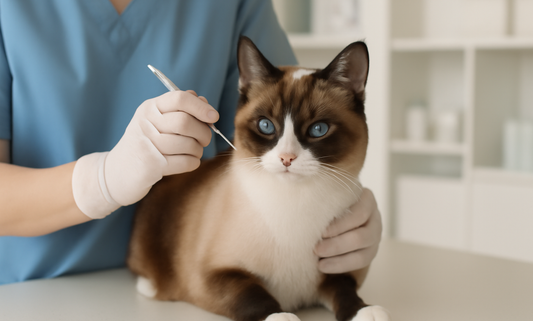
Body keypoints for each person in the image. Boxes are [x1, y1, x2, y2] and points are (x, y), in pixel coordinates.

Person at [0, 0, 382, 285]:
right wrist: (103, 180)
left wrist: (343, 214)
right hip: (33, 294)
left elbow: (290, 128)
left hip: (192, 283)